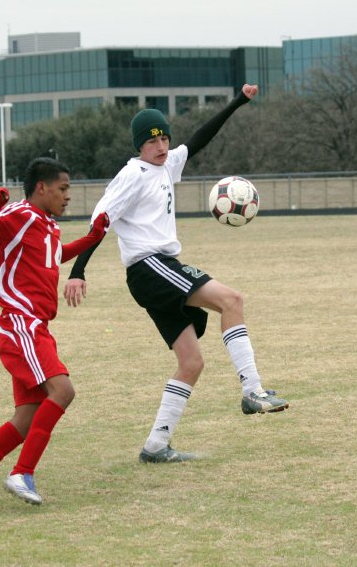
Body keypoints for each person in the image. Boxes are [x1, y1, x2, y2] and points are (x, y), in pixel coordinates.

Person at [63, 84, 289, 465]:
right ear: (140, 145)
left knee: (192, 363)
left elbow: (201, 137)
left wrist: (239, 101)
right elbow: (99, 222)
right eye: (153, 141)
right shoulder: (132, 174)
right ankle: (253, 391)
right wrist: (78, 270)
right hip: (150, 267)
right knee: (232, 300)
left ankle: (155, 445)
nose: (162, 146)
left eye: (165, 137)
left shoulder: (168, 164)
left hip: (157, 270)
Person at [0, 157, 109, 513]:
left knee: (27, 417)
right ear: (41, 188)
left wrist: (91, 239)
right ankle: (22, 473)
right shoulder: (19, 214)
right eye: (62, 189)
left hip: (35, 326)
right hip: (21, 323)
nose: (68, 197)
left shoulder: (46, 224)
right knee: (63, 391)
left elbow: (53, 255)